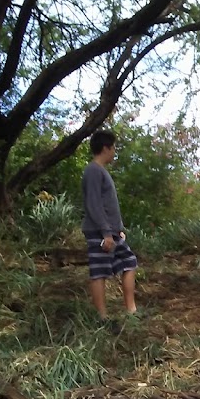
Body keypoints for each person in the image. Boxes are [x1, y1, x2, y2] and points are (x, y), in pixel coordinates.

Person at [82, 129, 138, 321]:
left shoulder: (102, 172)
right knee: (99, 272)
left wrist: (118, 230)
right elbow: (94, 204)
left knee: (129, 263)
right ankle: (102, 317)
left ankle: (131, 311)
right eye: (113, 148)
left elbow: (109, 205)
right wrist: (106, 233)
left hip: (113, 232)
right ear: (105, 148)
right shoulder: (93, 170)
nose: (114, 152)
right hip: (99, 232)